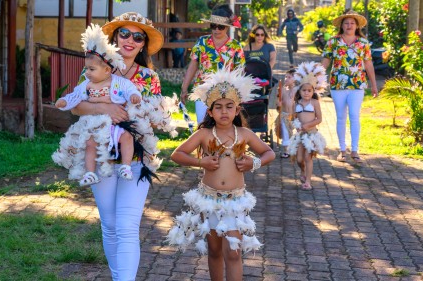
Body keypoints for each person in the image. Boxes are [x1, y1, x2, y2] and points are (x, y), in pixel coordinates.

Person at [69, 12, 177, 281]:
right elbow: (76, 106)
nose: (130, 40)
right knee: (110, 226)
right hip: (101, 154)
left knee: (127, 226)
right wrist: (105, 106)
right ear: (115, 37)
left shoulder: (149, 77)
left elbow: (152, 115)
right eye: (125, 34)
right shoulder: (96, 67)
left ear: (143, 45)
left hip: (137, 155)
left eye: (138, 36)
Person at [166, 67, 276, 280]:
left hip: (235, 201)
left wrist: (254, 163)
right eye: (218, 107)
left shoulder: (244, 134)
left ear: (237, 110)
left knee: (233, 252)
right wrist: (201, 162)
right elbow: (177, 155)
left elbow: (268, 153)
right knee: (215, 250)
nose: (224, 112)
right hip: (209, 201)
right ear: (209, 111)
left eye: (229, 107)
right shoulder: (204, 134)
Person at [53, 24, 142, 186]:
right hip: (95, 124)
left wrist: (135, 95)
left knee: (127, 137)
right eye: (124, 33)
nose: (87, 72)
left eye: (91, 69)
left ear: (107, 70)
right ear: (115, 37)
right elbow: (75, 97)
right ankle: (89, 173)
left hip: (115, 124)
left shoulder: (119, 82)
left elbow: (129, 89)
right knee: (90, 143)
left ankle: (126, 166)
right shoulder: (87, 83)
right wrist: (64, 101)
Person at [321, 10, 378, 164]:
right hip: (337, 84)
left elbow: (368, 64)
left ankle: (354, 150)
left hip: (357, 84)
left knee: (354, 115)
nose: (349, 25)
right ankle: (342, 150)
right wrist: (316, 79)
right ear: (342, 25)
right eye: (346, 23)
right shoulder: (333, 42)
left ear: (357, 25)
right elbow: (326, 62)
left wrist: (373, 85)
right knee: (340, 116)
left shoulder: (363, 43)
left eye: (352, 23)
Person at [179, 4, 245, 124]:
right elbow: (193, 65)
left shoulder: (235, 46)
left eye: (220, 27)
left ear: (227, 27)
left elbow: (239, 72)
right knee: (202, 125)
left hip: (226, 93)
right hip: (203, 91)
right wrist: (184, 89)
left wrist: (238, 96)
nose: (216, 30)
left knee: (223, 128)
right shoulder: (202, 42)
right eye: (213, 26)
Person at [287, 62, 328, 190]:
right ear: (300, 91)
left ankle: (308, 181)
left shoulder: (315, 103)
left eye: (309, 91)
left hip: (311, 134)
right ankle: (303, 171)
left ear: (313, 91)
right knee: (299, 159)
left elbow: (319, 118)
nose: (306, 93)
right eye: (304, 90)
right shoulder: (297, 103)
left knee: (307, 157)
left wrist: (308, 125)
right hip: (300, 135)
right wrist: (295, 124)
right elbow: (293, 117)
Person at [278, 68, 296, 158]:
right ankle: (286, 150)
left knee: (296, 132)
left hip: (295, 116)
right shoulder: (283, 89)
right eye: (286, 77)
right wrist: (279, 103)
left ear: (295, 79)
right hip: (285, 115)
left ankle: (296, 147)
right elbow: (278, 102)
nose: (286, 79)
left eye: (289, 77)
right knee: (286, 132)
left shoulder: (297, 90)